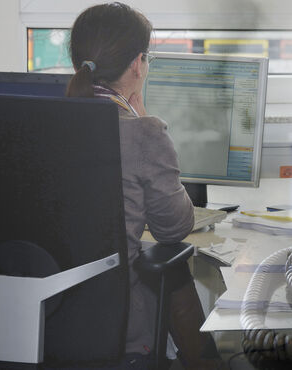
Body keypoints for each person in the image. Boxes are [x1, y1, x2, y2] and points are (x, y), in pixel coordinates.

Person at [66, 3, 220, 369]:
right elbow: (174, 228)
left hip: (46, 314)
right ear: (138, 64)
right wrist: (147, 121)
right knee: (175, 271)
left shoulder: (44, 123)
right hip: (119, 323)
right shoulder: (141, 132)